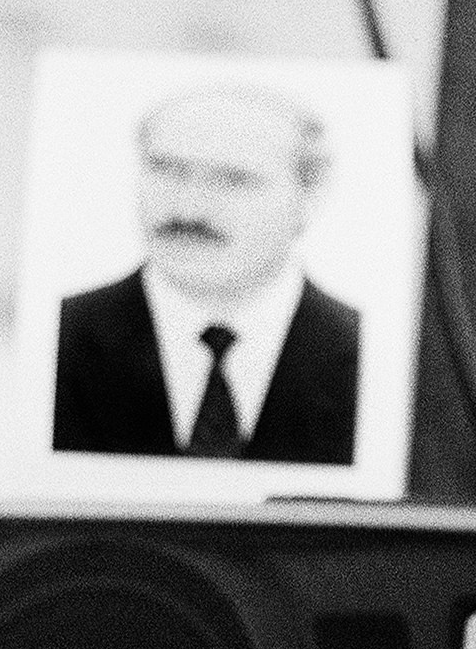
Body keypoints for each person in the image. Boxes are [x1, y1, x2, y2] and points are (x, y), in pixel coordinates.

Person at [53, 85, 360, 464]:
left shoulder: (367, 355)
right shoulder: (60, 336)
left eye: (233, 179)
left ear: (309, 197)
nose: (190, 209)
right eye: (168, 170)